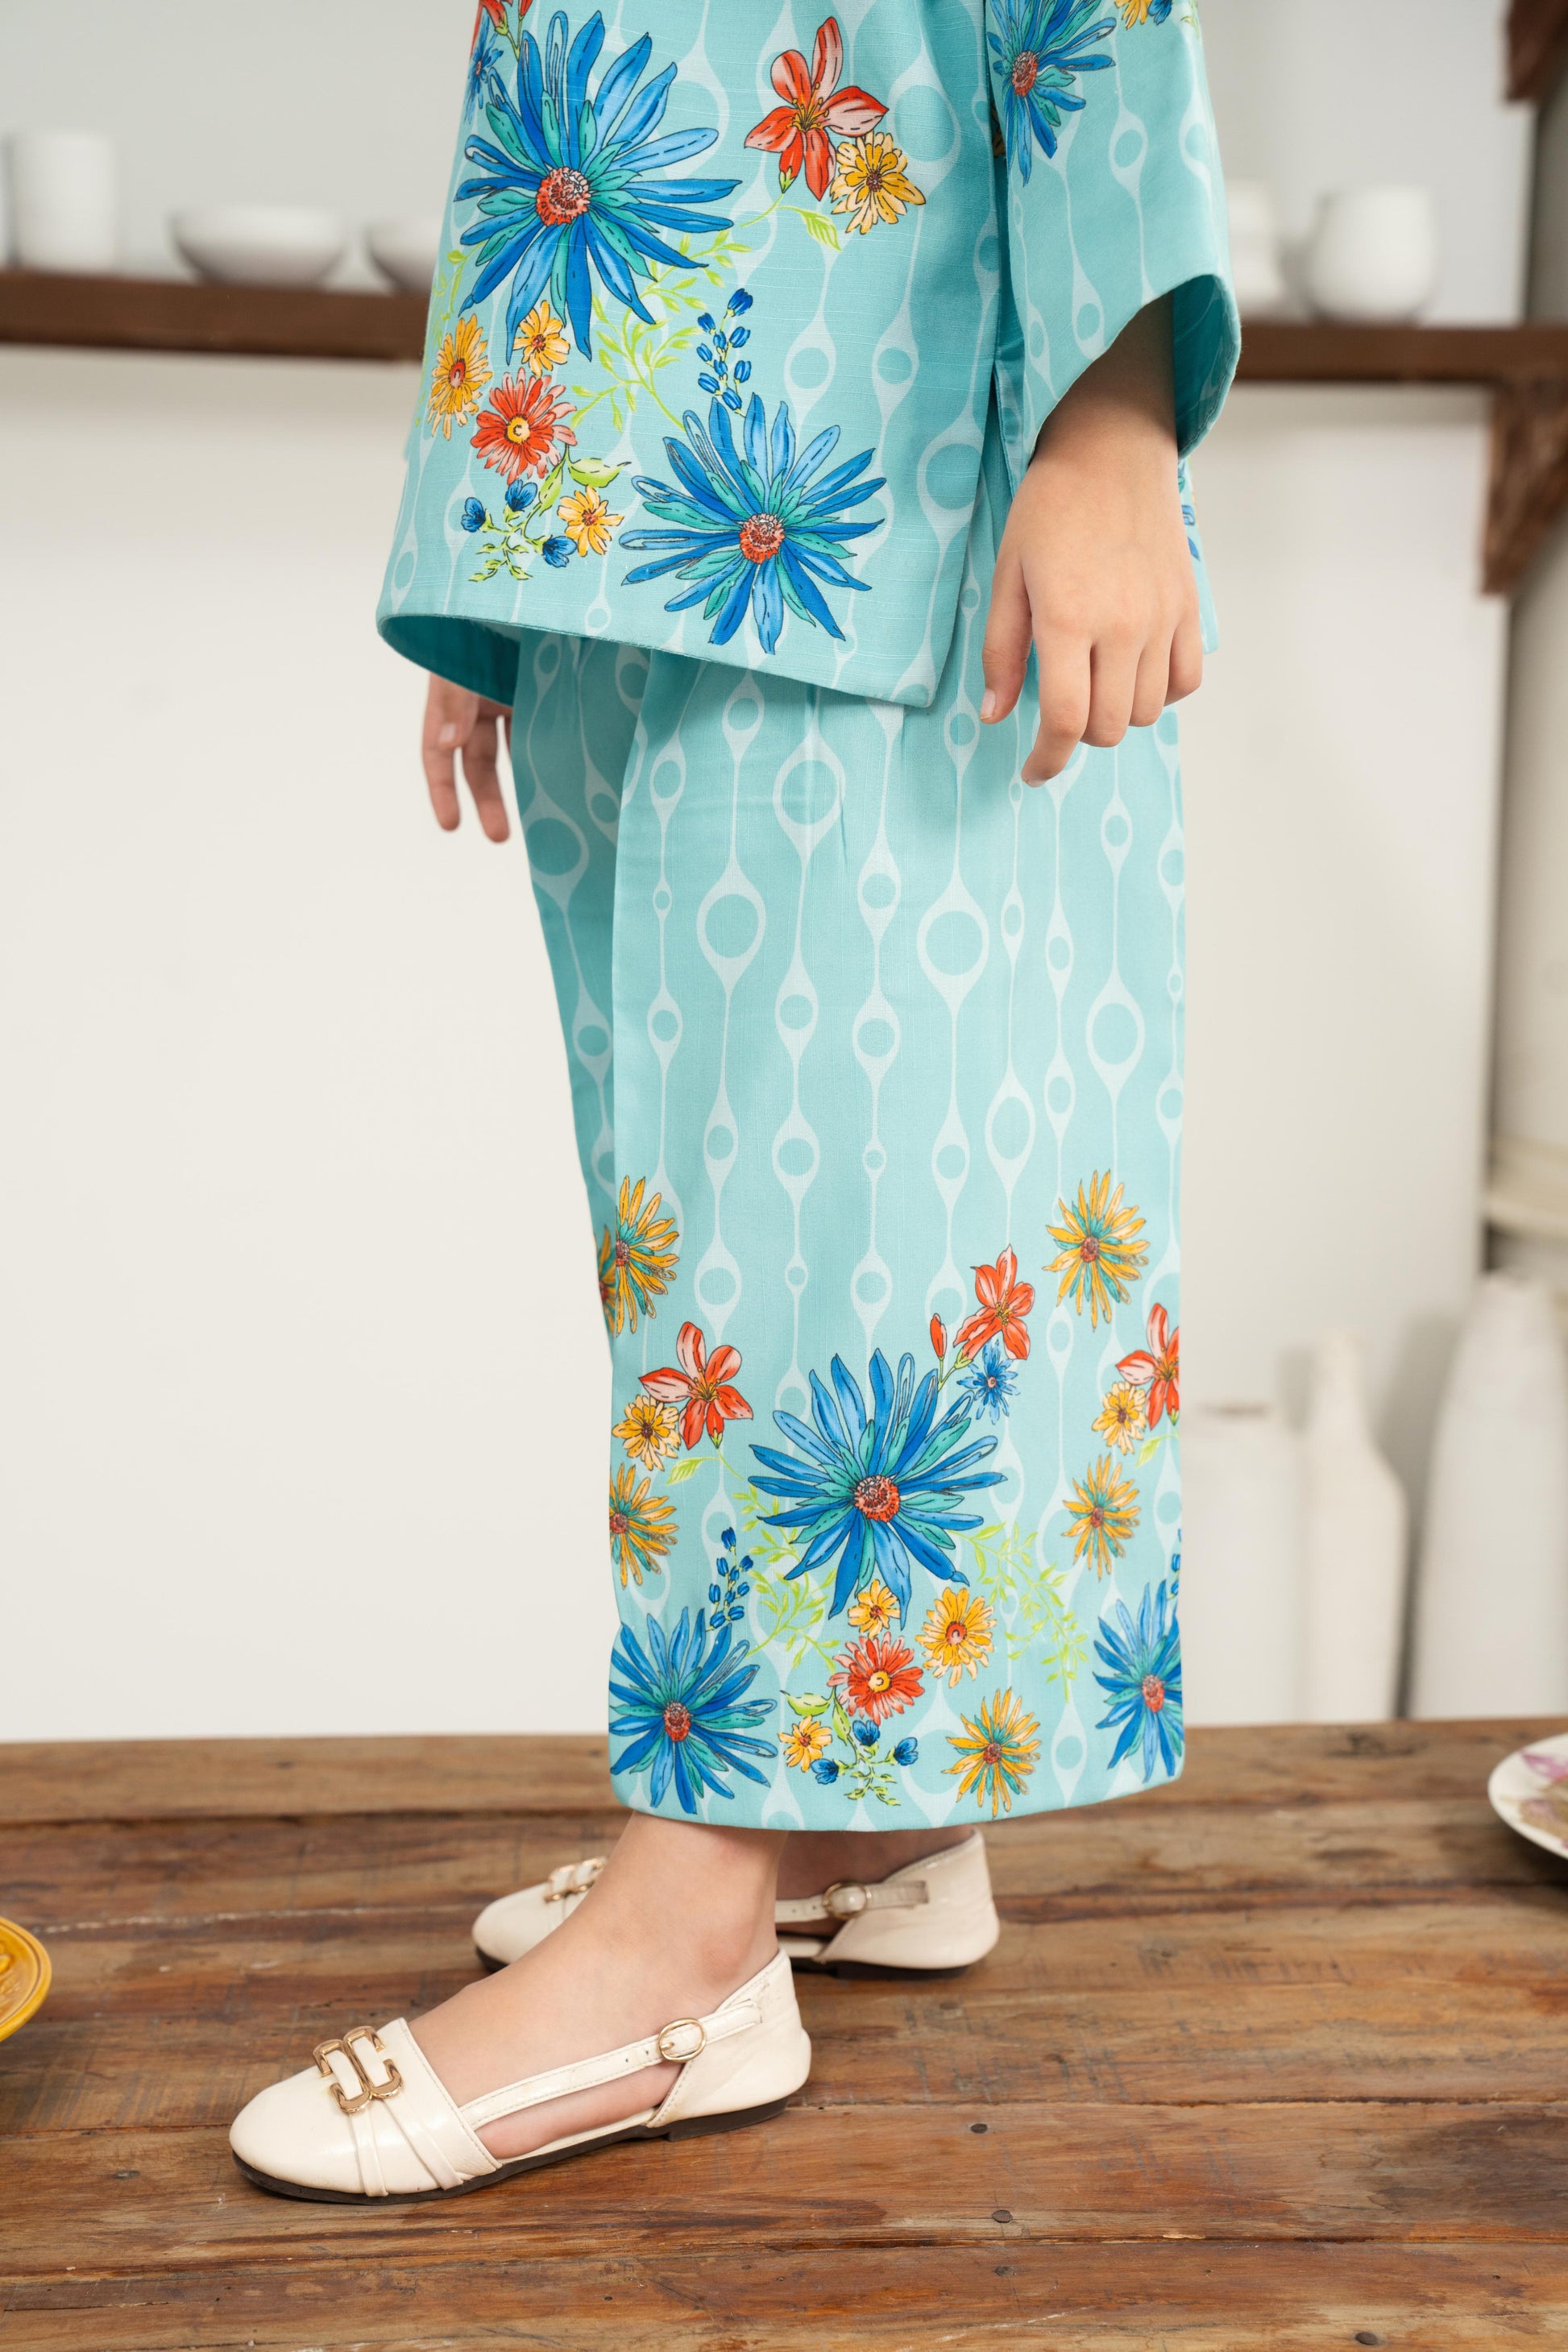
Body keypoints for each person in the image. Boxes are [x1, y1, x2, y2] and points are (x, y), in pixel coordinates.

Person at [230, 0, 1236, 2201]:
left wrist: (1111, 411)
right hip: (640, 479)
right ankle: (867, 1819)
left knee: (820, 1212)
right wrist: (514, 531)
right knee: (700, 1201)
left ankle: (692, 1931)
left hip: (869, 458)